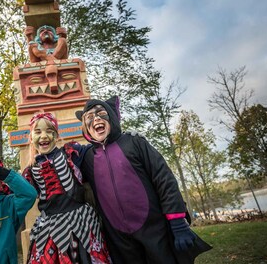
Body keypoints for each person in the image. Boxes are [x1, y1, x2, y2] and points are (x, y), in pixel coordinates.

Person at [75, 96, 212, 264]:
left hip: (154, 229)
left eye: (101, 113)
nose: (96, 118)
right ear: (85, 128)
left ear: (112, 116)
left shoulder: (134, 142)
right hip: (119, 240)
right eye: (89, 117)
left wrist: (177, 221)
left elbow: (164, 179)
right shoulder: (87, 157)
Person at [22, 112, 111, 263]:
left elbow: (98, 147)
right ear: (31, 138)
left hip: (80, 222)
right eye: (38, 132)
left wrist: (121, 136)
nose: (44, 136)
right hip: (49, 228)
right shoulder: (29, 171)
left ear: (56, 136)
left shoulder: (72, 153)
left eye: (49, 131)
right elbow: (18, 194)